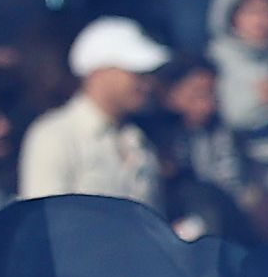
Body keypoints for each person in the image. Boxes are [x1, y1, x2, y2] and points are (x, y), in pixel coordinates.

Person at [19, 17, 167, 205]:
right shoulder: (54, 135)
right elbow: (44, 221)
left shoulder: (139, 141)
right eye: (136, 73)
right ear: (99, 72)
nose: (147, 84)